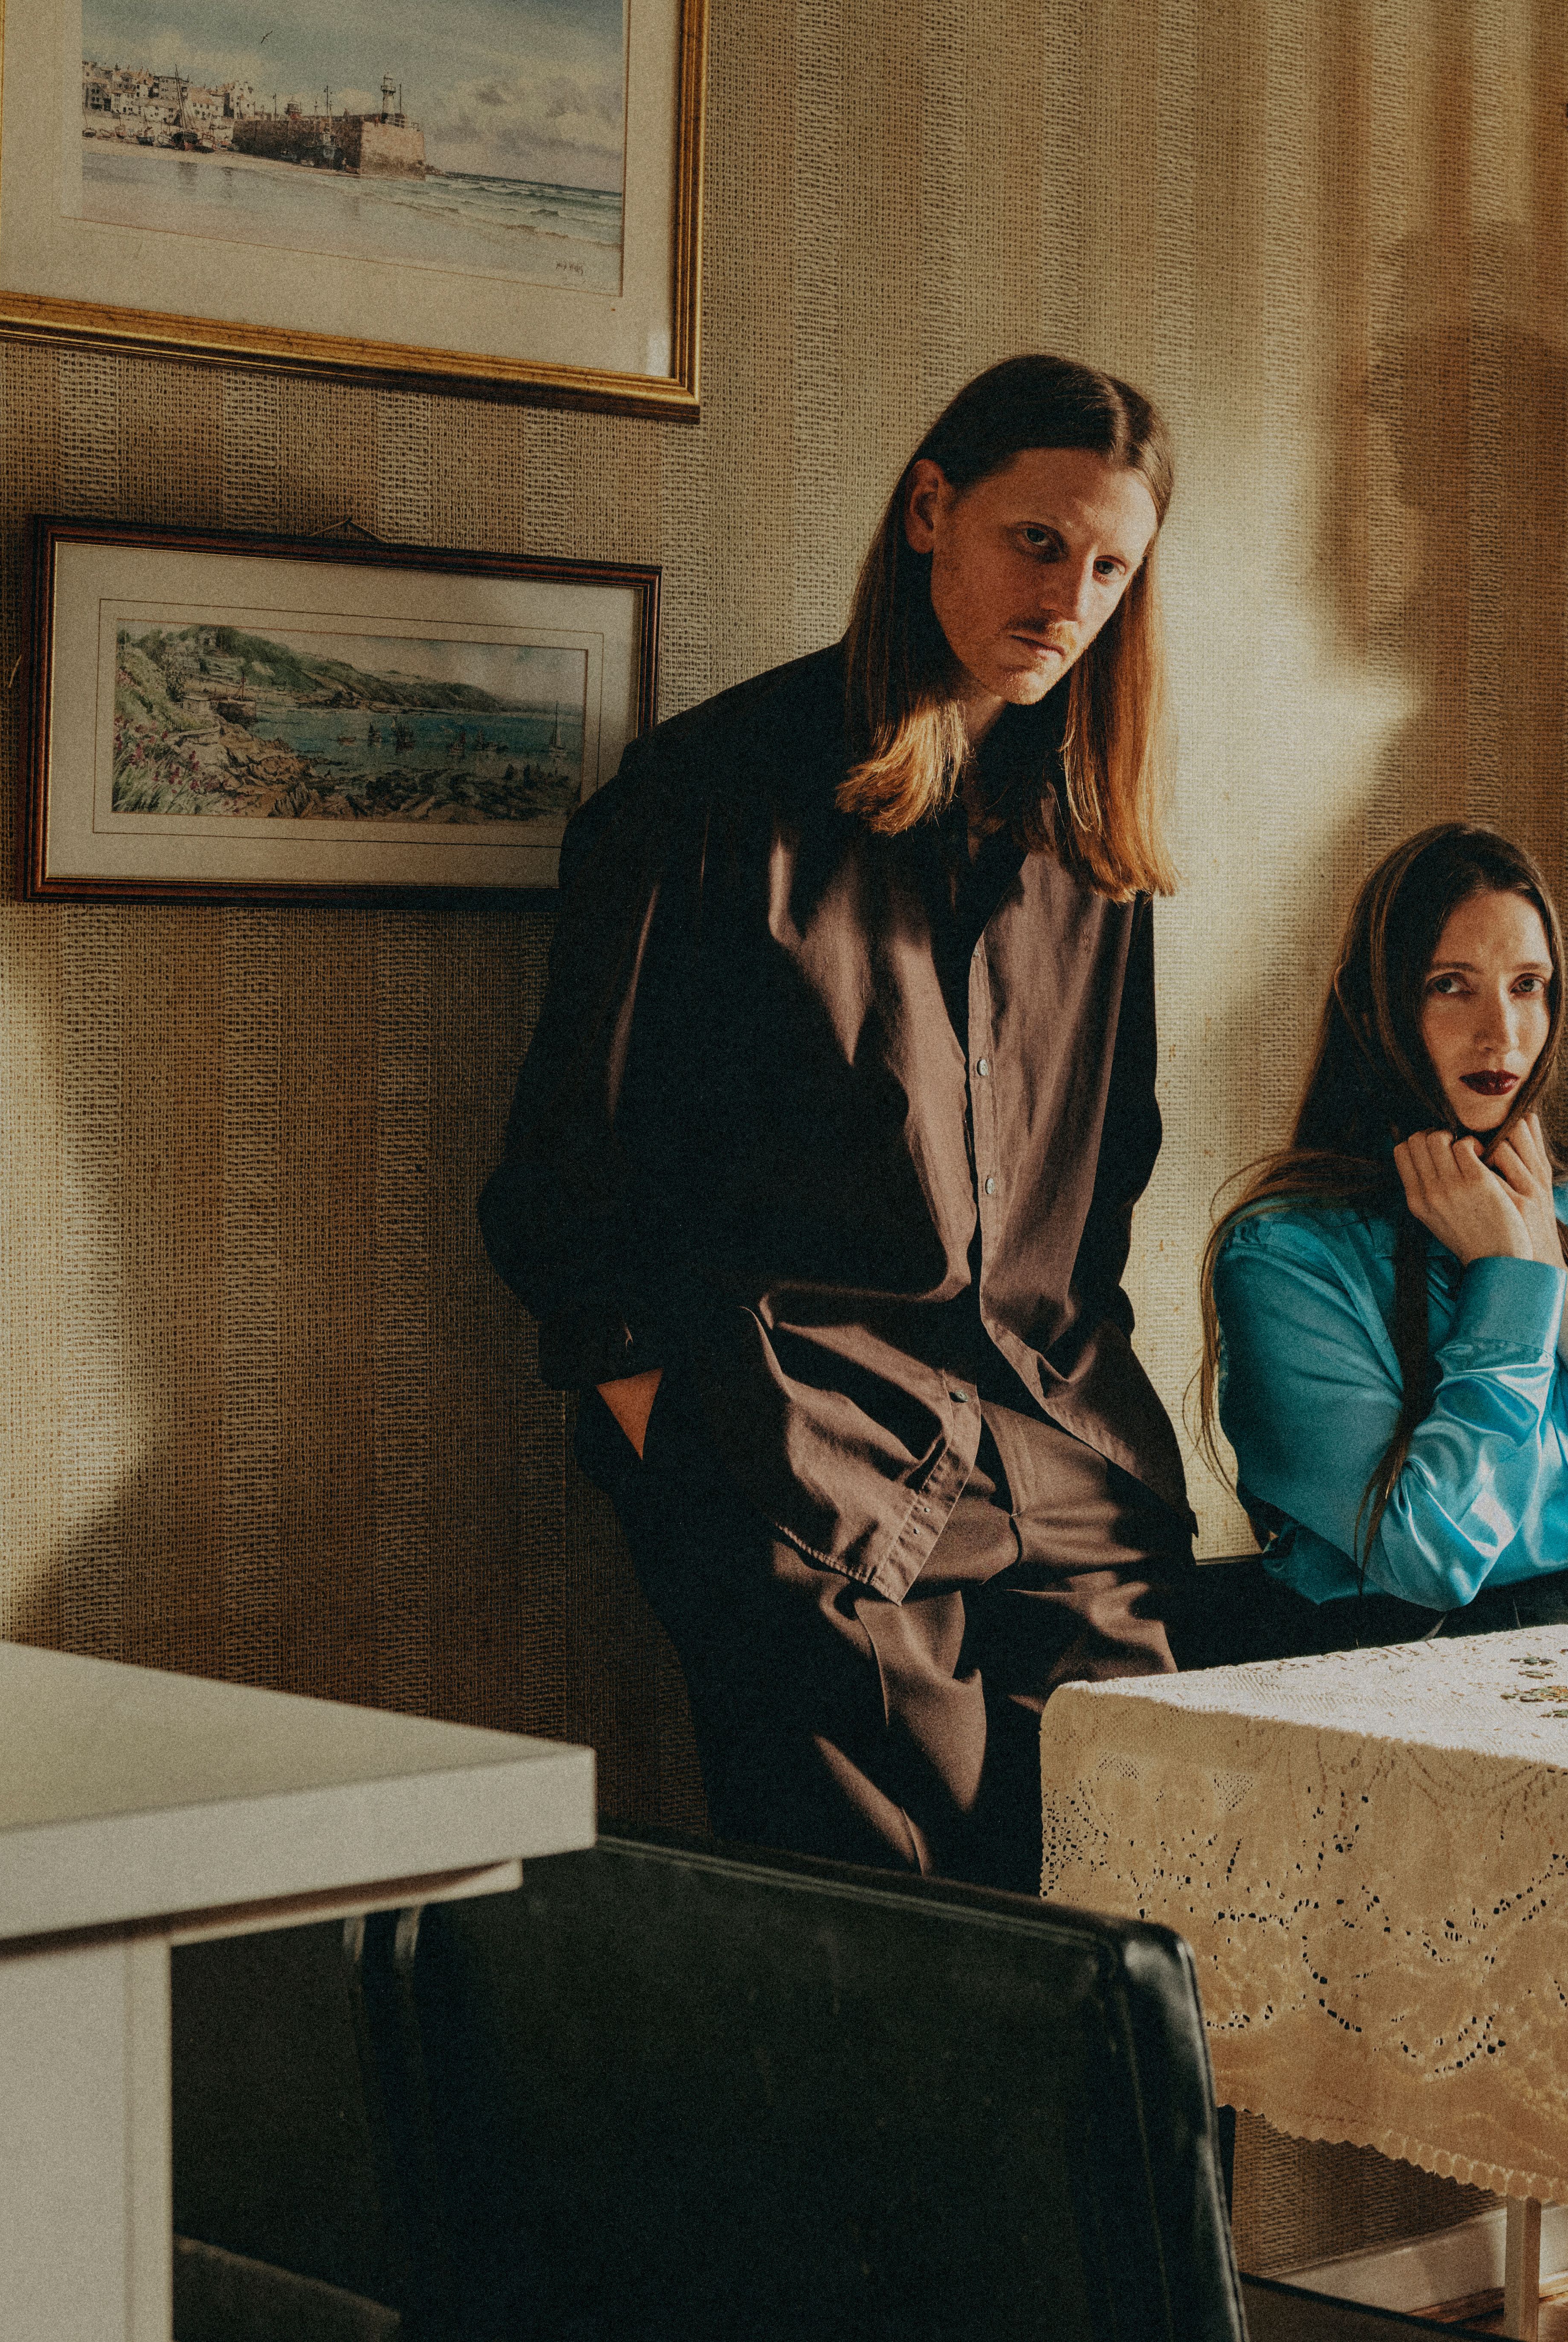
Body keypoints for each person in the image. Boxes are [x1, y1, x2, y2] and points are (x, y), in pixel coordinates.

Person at [479, 354, 1195, 1896]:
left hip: (1060, 1462)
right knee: (906, 1968)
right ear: (932, 509)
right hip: (807, 1469)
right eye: (1037, 540)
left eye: (1112, 565)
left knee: (1149, 1919)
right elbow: (564, 1176)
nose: (1072, 595)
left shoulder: (1094, 849)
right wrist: (674, 1425)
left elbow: (1105, 1183)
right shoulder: (708, 797)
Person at [1205, 822, 1568, 1641]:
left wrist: (1564, 1293)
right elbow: (1429, 1556)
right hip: (1408, 1665)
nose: (1501, 1034)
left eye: (1528, 985)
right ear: (1378, 1004)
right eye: (1450, 985)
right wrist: (1509, 1286)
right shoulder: (1287, 1253)